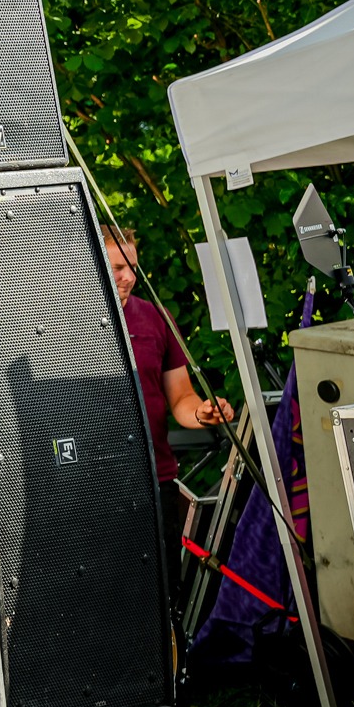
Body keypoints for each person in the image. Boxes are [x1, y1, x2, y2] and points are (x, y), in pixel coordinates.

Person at [102, 225, 234, 533]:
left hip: (155, 476)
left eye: (133, 268)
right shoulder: (62, 320)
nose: (129, 277)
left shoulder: (156, 317)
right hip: (92, 482)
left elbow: (181, 397)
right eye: (119, 267)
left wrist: (202, 413)